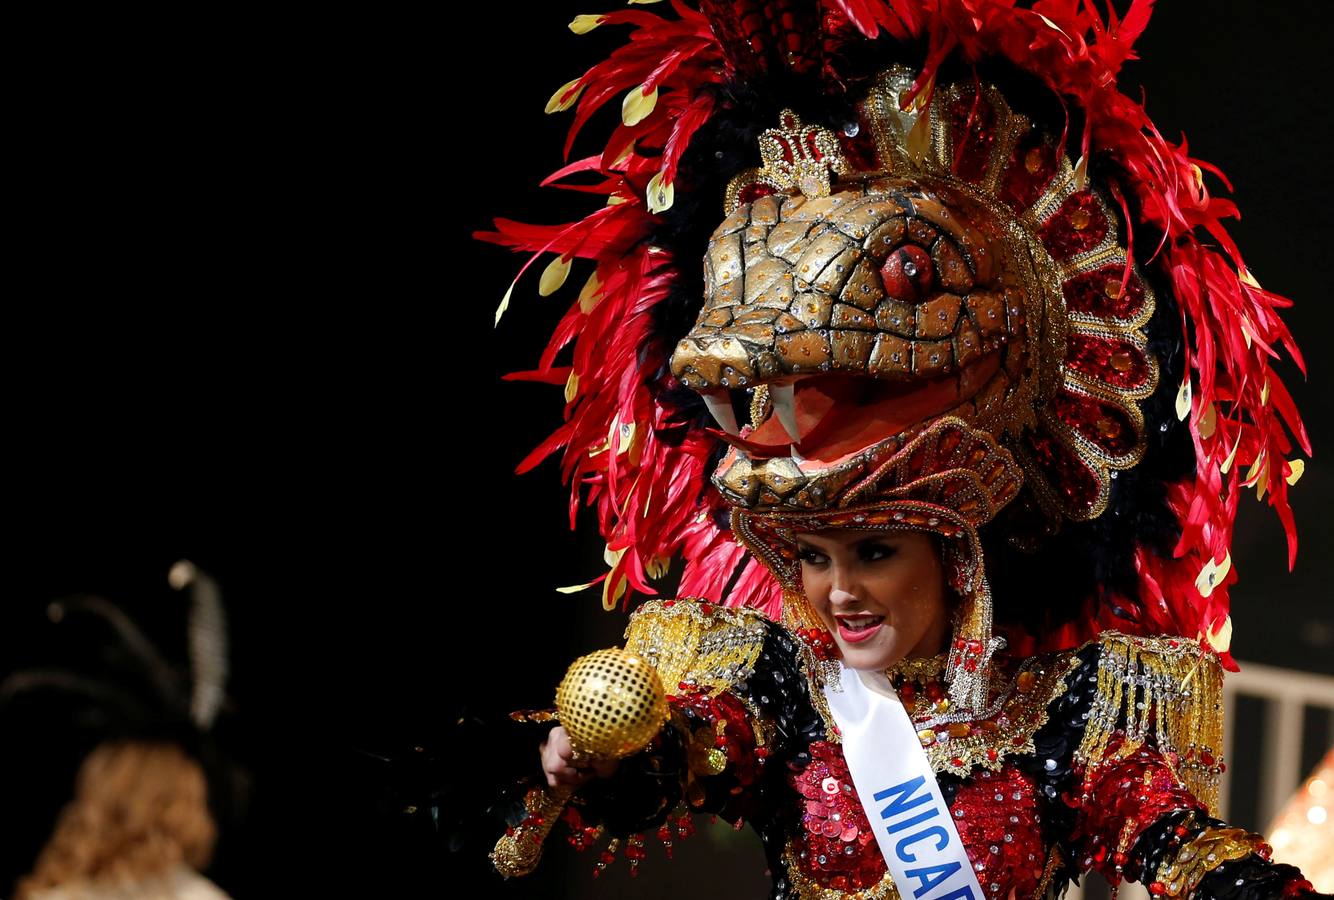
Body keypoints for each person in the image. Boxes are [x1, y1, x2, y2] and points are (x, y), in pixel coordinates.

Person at [479, 2, 1323, 898]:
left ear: (953, 554)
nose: (838, 591)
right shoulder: (783, 697)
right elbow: (682, 760)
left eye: (874, 551)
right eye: (812, 556)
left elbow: (1177, 844)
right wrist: (598, 756)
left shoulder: (1063, 715)